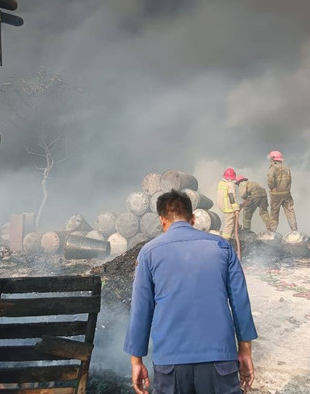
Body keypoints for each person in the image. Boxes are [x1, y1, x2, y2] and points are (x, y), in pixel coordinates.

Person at [124, 190, 257, 394]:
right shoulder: (222, 247)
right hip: (220, 359)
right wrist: (245, 351)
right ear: (193, 219)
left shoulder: (149, 253)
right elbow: (240, 301)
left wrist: (136, 360)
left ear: (162, 221)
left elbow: (141, 309)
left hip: (170, 362)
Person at [267, 151, 298, 232]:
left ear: (274, 159)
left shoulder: (273, 168)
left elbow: (270, 179)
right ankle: (294, 229)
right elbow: (290, 181)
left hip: (276, 194)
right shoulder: (287, 168)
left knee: (274, 213)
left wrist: (272, 187)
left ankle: (272, 232)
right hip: (286, 194)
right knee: (289, 210)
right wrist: (287, 190)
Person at [216, 167, 240, 239]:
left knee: (230, 221)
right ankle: (225, 240)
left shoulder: (221, 183)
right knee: (229, 223)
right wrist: (236, 208)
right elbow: (232, 196)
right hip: (228, 206)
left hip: (221, 205)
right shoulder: (230, 184)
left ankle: (232, 233)